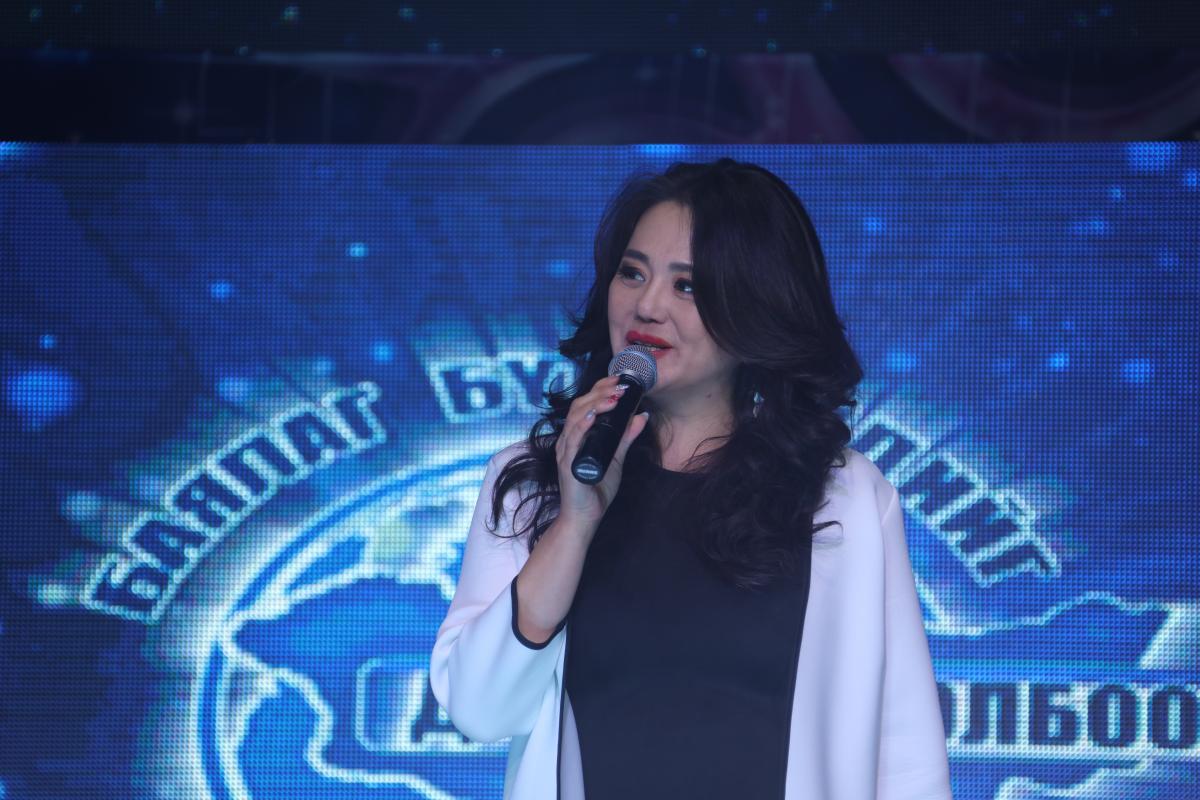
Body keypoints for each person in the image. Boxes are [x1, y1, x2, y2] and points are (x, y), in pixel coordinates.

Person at [429, 158, 952, 799]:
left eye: (687, 286)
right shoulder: (534, 480)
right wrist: (574, 523)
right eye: (632, 273)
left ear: (754, 308)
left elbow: (905, 755)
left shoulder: (842, 494)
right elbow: (477, 709)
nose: (647, 306)